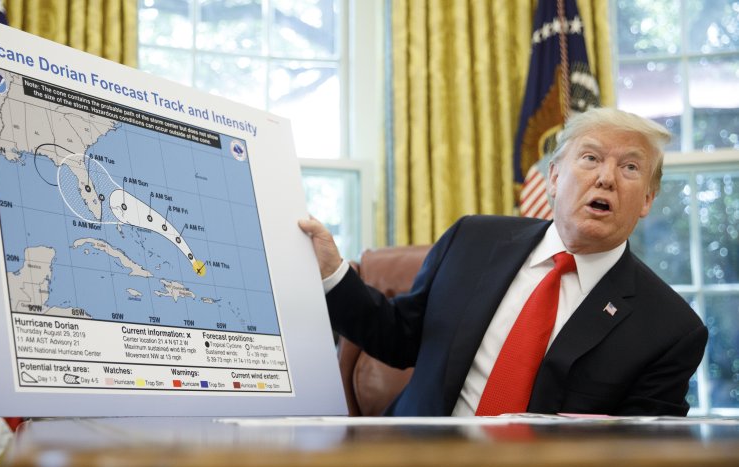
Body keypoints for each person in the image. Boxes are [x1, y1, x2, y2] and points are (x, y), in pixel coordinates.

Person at [299, 107, 707, 417]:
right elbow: (399, 337)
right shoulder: (472, 239)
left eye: (630, 167)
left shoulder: (671, 329)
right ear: (552, 177)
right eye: (590, 158)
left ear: (648, 201)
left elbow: (642, 454)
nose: (606, 178)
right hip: (413, 461)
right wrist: (334, 272)